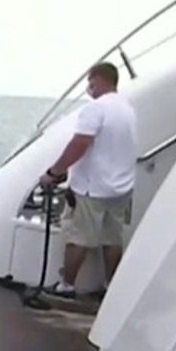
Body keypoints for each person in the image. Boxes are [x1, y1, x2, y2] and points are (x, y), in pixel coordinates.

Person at [39, 62, 137, 299]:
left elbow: (79, 143)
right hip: (121, 188)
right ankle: (110, 287)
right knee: (112, 239)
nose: (88, 87)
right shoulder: (127, 109)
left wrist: (54, 172)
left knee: (78, 238)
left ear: (98, 79)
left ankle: (66, 286)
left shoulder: (96, 109)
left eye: (90, 81)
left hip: (93, 189)